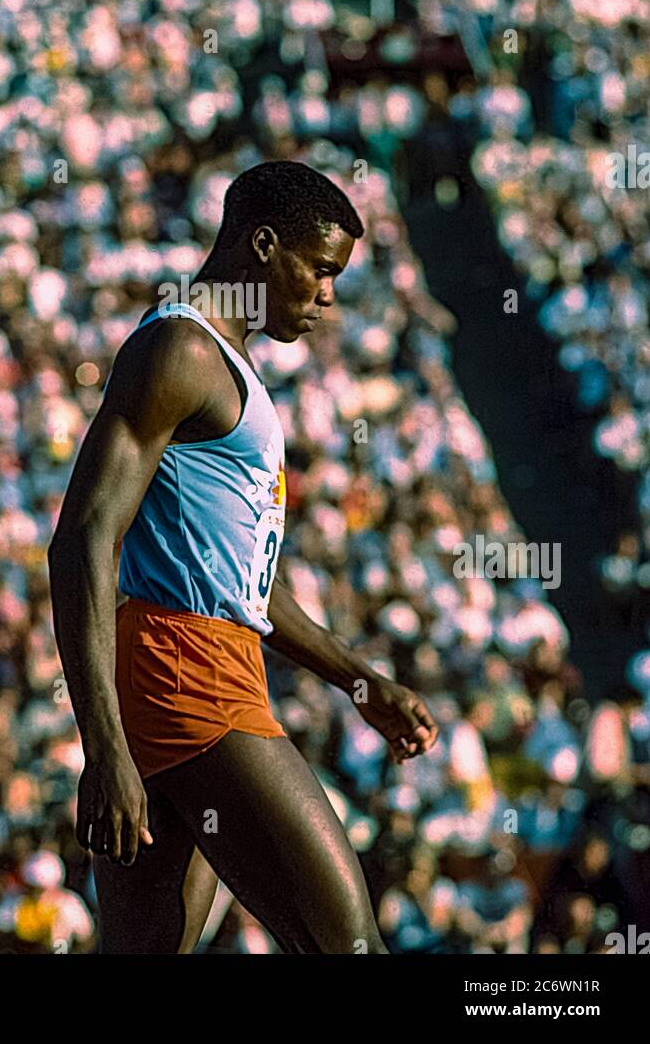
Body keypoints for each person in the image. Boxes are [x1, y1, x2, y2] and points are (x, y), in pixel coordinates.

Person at [48, 160, 439, 954]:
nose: (328, 296)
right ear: (263, 246)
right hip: (187, 676)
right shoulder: (181, 353)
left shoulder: (230, 366)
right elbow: (84, 537)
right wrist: (104, 747)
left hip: (200, 667)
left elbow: (250, 589)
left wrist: (358, 679)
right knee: (350, 942)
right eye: (320, 270)